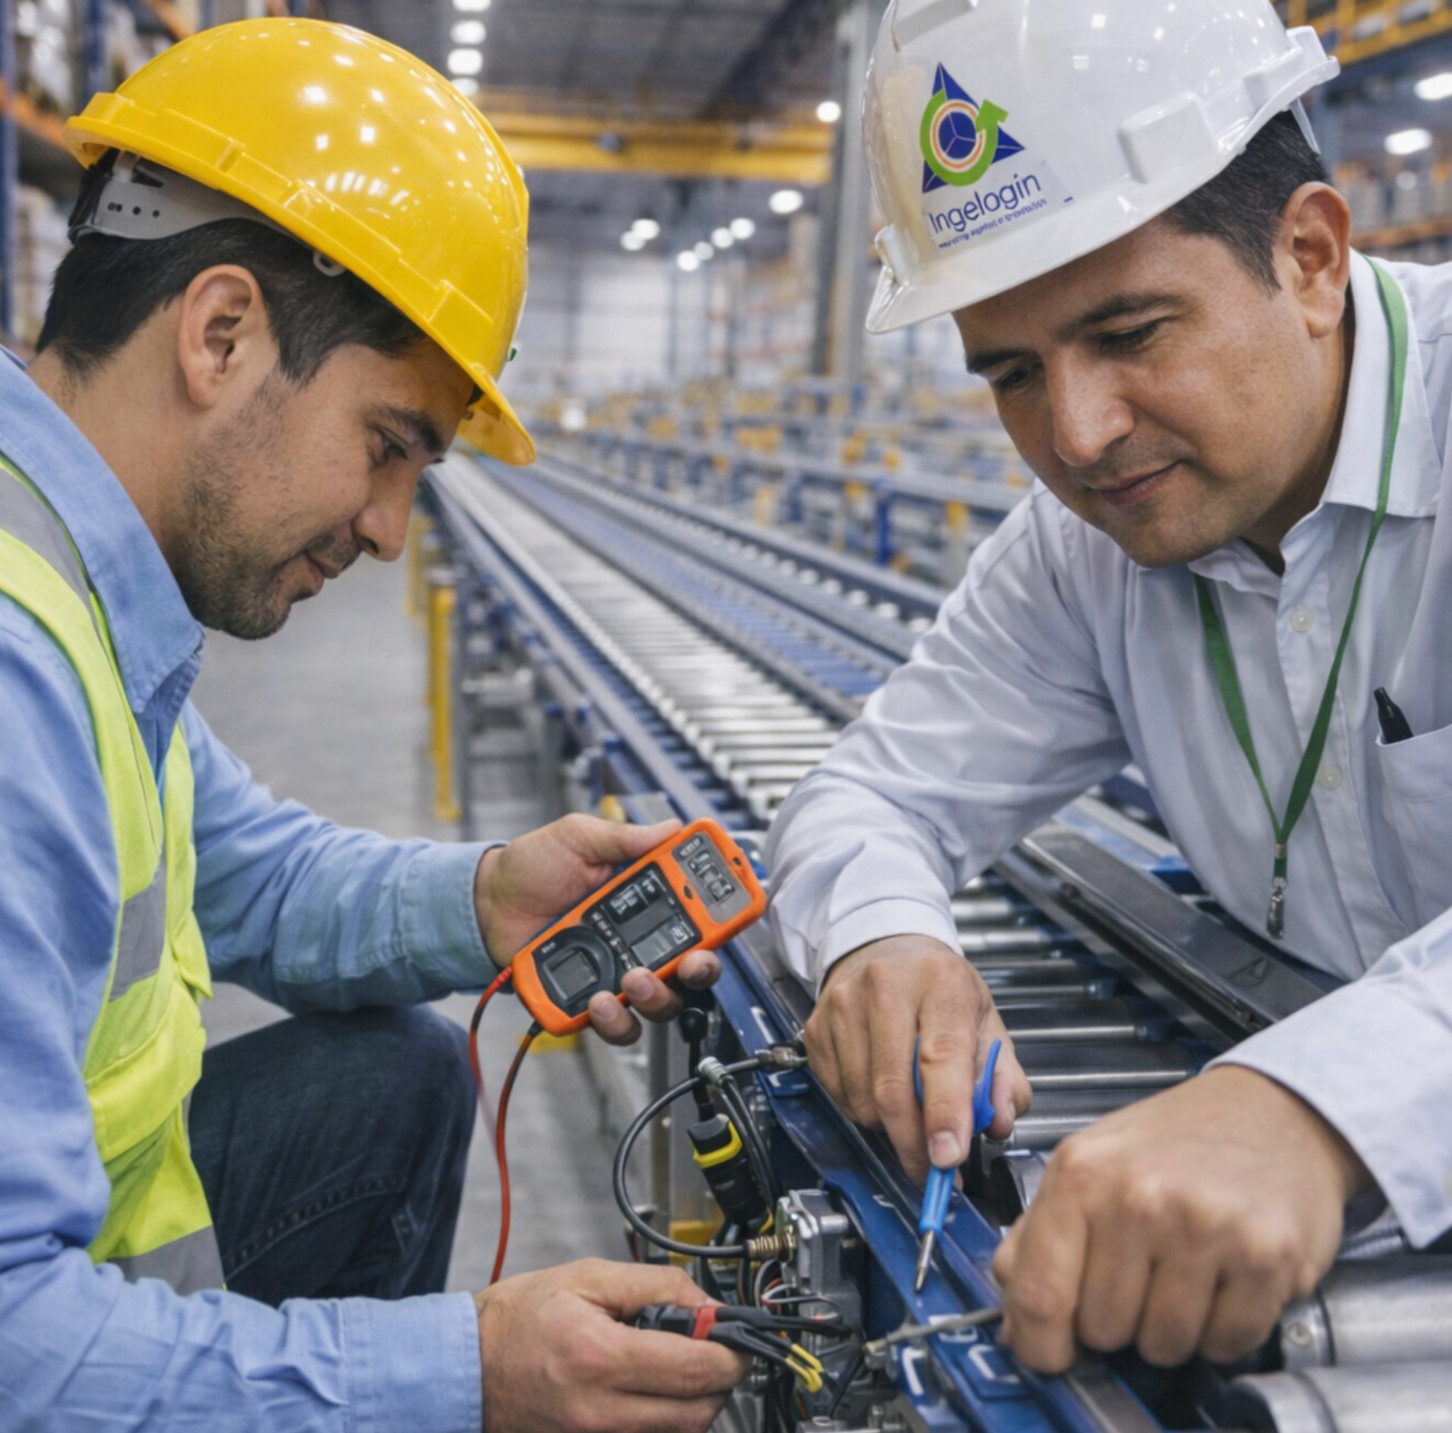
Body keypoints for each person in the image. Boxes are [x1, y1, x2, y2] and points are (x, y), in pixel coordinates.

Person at [0, 18, 745, 1432]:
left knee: (393, 1067)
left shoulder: (69, 560)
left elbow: (253, 873)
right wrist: (467, 1369)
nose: (393, 531)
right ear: (220, 334)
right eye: (388, 445)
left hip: (88, 1234)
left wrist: (489, 900)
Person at [767, 0, 1452, 1377]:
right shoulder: (1088, 548)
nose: (1075, 436)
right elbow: (872, 791)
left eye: (1132, 332)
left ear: (1312, 257)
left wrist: (1321, 1108)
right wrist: (884, 940)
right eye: (1012, 372)